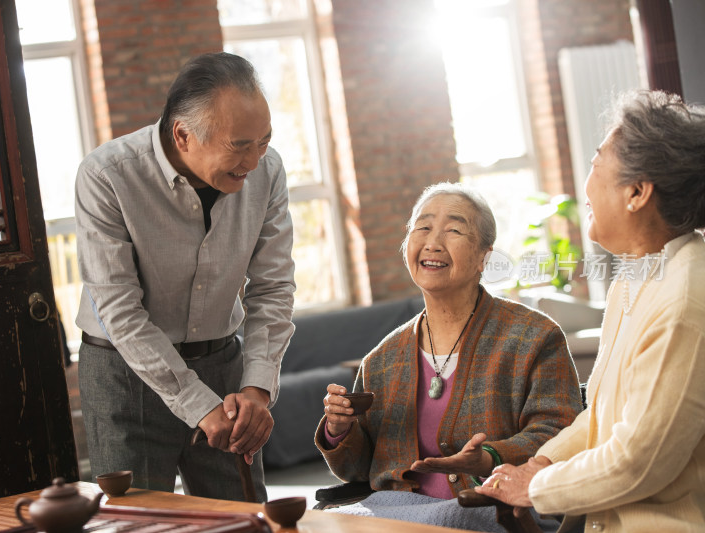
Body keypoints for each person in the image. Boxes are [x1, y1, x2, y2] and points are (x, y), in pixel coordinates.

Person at [477, 90, 705, 532]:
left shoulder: (684, 300)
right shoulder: (636, 276)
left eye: (597, 163)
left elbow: (638, 462)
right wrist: (539, 463)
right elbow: (602, 418)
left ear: (637, 192)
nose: (585, 185)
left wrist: (535, 487)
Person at [74, 52, 295, 502]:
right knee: (137, 522)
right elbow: (119, 310)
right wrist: (200, 405)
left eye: (264, 141)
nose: (253, 162)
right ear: (183, 134)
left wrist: (254, 391)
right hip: (124, 376)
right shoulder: (107, 176)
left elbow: (273, 288)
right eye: (239, 145)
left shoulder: (266, 171)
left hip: (223, 368)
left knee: (245, 518)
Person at [317, 182, 583, 530]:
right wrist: (340, 430)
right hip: (397, 512)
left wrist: (490, 458)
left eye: (454, 230)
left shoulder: (534, 337)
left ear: (484, 256)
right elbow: (359, 469)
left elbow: (560, 431)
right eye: (422, 228)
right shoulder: (382, 360)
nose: (432, 242)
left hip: (496, 506)